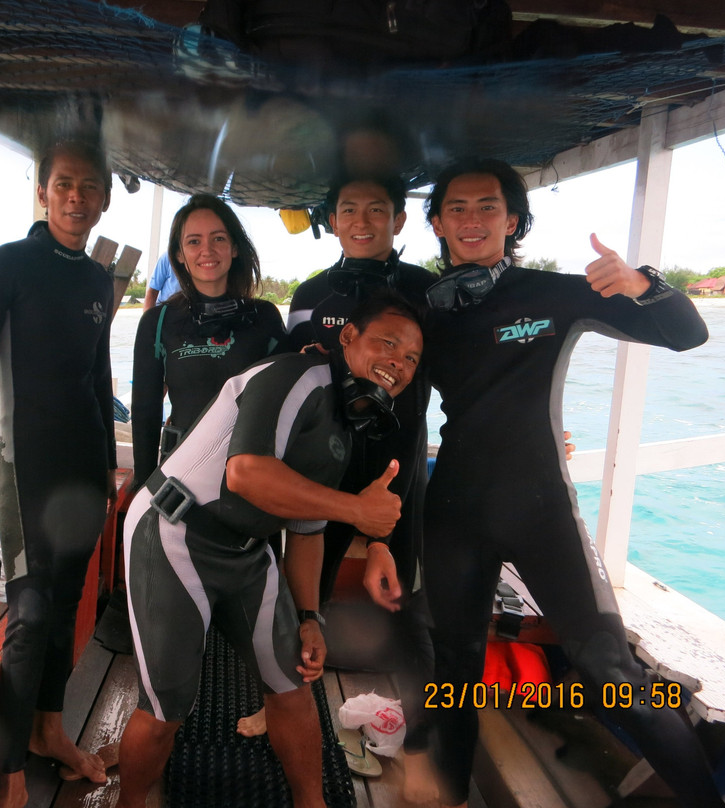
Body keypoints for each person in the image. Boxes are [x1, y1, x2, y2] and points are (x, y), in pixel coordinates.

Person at [420, 157, 723, 808]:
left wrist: (645, 283)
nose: (472, 219)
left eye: (488, 207)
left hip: (539, 511)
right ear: (439, 222)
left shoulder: (552, 294)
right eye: (458, 208)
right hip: (452, 512)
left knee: (614, 674)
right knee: (452, 672)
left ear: (513, 220)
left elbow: (688, 334)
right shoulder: (424, 309)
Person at [118, 293, 423, 808]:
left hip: (248, 550)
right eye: (387, 344)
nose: (398, 362)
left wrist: (309, 616)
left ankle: (312, 803)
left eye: (412, 358)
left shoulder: (343, 430)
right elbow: (247, 473)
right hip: (173, 533)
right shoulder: (295, 376)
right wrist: (357, 511)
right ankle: (128, 803)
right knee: (167, 706)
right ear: (347, 337)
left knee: (292, 684)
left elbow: (305, 530)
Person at [0, 140, 118, 808]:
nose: (76, 198)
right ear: (43, 192)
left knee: (67, 603)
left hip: (83, 469)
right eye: (64, 185)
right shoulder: (5, 266)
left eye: (89, 188)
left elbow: (100, 377)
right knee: (27, 613)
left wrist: (108, 465)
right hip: (25, 468)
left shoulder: (98, 279)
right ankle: (11, 774)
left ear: (104, 198)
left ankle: (50, 730)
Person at [281, 174, 440, 801]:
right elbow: (291, 379)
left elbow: (462, 374)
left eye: (378, 209)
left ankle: (424, 748)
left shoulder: (426, 290)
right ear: (333, 220)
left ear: (399, 220)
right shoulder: (312, 292)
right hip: (324, 472)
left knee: (405, 611)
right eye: (349, 209)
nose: (363, 219)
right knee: (302, 602)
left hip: (397, 470)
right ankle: (287, 706)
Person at [130, 194, 286, 490]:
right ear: (178, 254)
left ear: (235, 247)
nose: (207, 251)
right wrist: (143, 483)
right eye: (194, 242)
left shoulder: (264, 317)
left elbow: (290, 402)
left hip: (250, 476)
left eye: (218, 238)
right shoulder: (158, 321)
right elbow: (145, 410)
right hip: (180, 476)